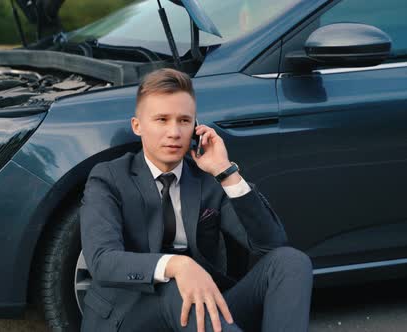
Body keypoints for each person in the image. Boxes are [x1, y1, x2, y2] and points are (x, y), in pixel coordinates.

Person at [80, 68, 313, 332]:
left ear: (195, 127)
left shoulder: (205, 179)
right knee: (177, 289)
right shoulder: (108, 178)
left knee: (291, 262)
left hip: (200, 313)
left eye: (183, 120)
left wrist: (225, 172)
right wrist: (177, 266)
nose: (174, 132)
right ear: (138, 126)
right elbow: (102, 260)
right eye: (161, 120)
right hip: (130, 316)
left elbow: (271, 245)